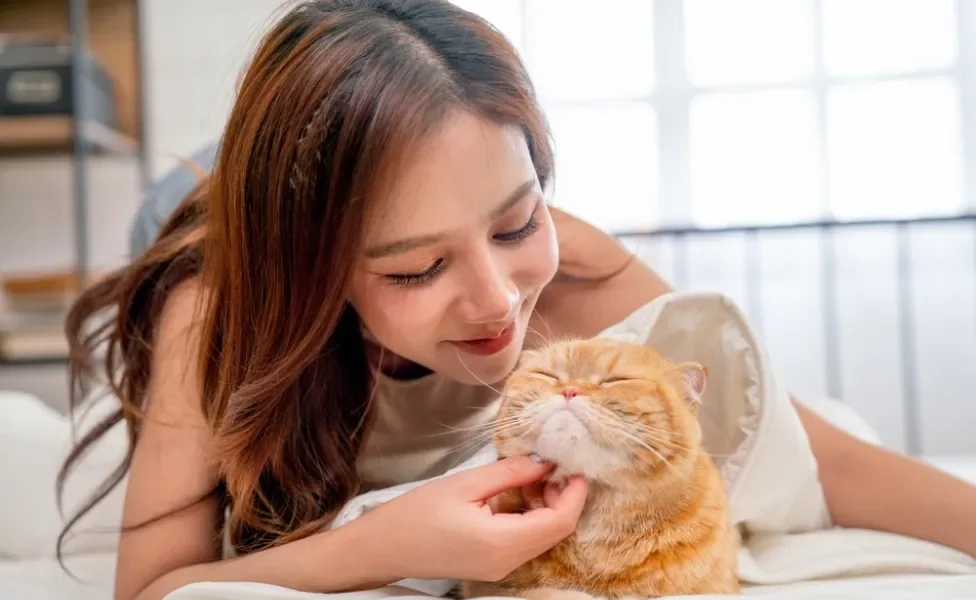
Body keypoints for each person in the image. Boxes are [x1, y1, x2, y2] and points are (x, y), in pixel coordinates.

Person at [58, 2, 976, 600]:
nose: (499, 304)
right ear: (318, 276)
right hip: (214, 213)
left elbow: (823, 455)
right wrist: (384, 544)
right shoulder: (214, 313)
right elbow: (151, 588)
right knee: (194, 195)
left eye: (513, 222)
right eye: (415, 270)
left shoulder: (571, 272)